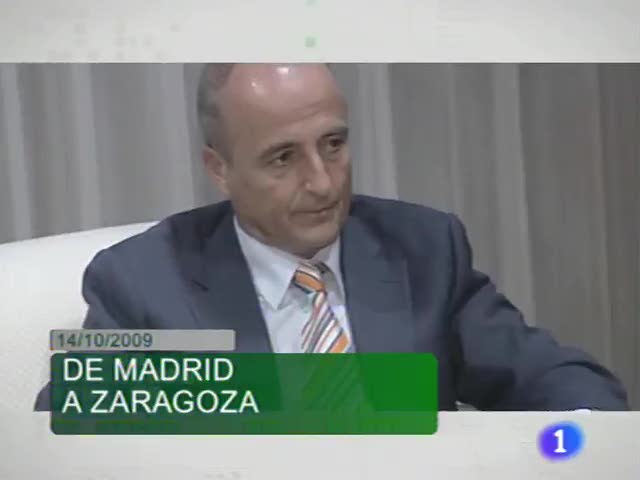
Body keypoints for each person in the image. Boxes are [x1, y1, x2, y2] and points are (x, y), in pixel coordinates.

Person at [35, 63, 628, 411]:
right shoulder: (143, 280)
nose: (322, 182)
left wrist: (576, 444)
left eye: (334, 145)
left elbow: (552, 377)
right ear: (219, 169)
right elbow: (67, 422)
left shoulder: (424, 249)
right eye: (283, 157)